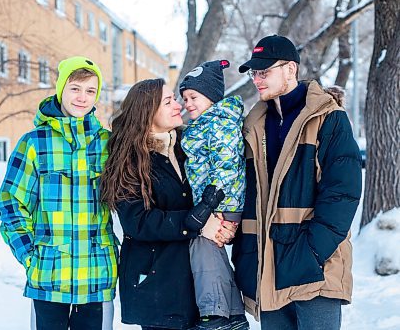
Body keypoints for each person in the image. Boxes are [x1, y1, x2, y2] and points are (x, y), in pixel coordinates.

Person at [232, 35, 362, 329]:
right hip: (267, 270)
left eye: (264, 71)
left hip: (316, 270)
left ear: (291, 69)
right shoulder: (253, 126)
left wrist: (313, 252)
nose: (257, 80)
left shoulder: (328, 118)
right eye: (254, 73)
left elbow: (343, 192)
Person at [100, 78, 236, 330]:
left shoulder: (189, 147)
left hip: (196, 282)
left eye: (175, 98)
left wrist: (223, 226)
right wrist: (196, 224)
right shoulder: (128, 159)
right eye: (168, 101)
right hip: (157, 285)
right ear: (147, 111)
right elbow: (138, 222)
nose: (179, 105)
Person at [0, 56, 118, 330]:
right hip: (49, 275)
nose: (82, 98)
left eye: (90, 91)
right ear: (61, 89)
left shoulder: (108, 144)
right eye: (75, 88)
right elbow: (10, 205)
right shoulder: (34, 143)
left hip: (97, 276)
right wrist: (30, 256)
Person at [179, 60, 249, 330]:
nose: (188, 103)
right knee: (213, 252)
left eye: (194, 97)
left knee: (202, 246)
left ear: (211, 95)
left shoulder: (219, 123)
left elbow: (226, 166)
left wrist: (208, 204)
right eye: (184, 98)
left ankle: (214, 315)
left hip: (221, 203)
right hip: (214, 204)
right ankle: (233, 316)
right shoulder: (204, 124)